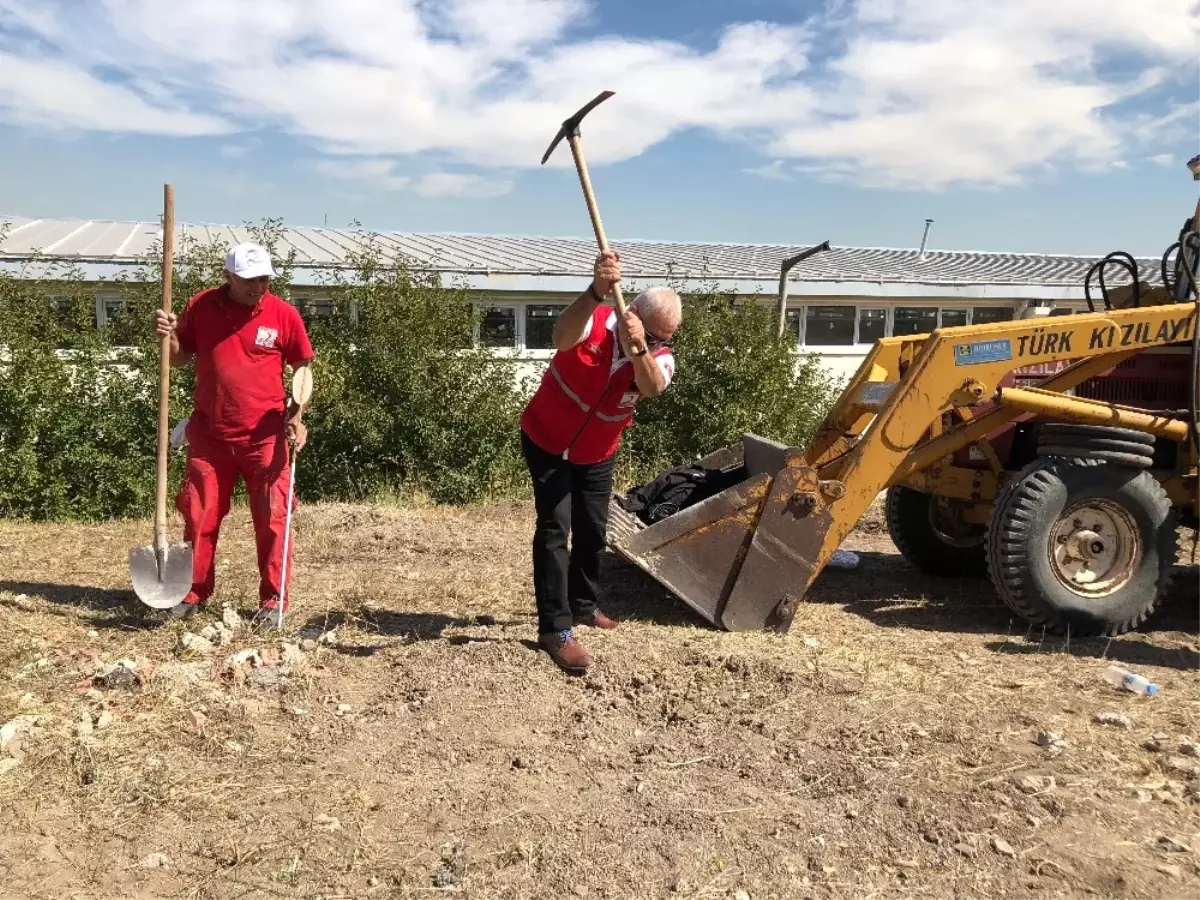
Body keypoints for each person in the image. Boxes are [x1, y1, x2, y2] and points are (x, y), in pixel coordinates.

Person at [519, 250, 682, 672]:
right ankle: (555, 629)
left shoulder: (657, 353)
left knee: (593, 530)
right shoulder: (594, 320)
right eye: (657, 334)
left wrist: (641, 348)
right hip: (546, 439)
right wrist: (595, 291)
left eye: (668, 337)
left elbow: (652, 387)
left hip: (597, 453)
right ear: (633, 312)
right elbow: (559, 336)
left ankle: (584, 606)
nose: (664, 343)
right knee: (556, 526)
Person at [152, 243, 314, 631]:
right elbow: (178, 357)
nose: (259, 286)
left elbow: (303, 365)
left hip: (265, 437)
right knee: (199, 515)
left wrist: (297, 416)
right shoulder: (202, 306)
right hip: (209, 434)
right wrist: (168, 335)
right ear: (228, 276)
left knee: (273, 519)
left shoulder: (283, 315)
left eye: (264, 279)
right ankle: (194, 591)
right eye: (250, 280)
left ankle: (273, 600)